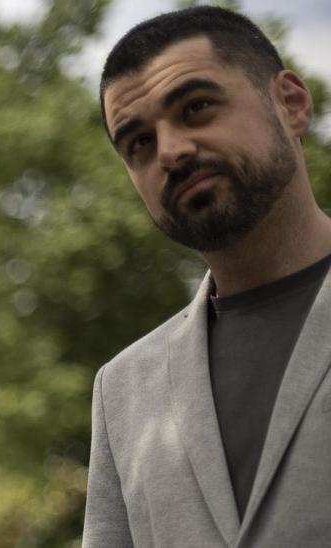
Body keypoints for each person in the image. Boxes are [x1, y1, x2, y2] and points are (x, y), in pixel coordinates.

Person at [83, 6, 331, 547]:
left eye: (196, 108)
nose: (171, 152)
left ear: (290, 103)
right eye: (139, 143)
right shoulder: (122, 389)